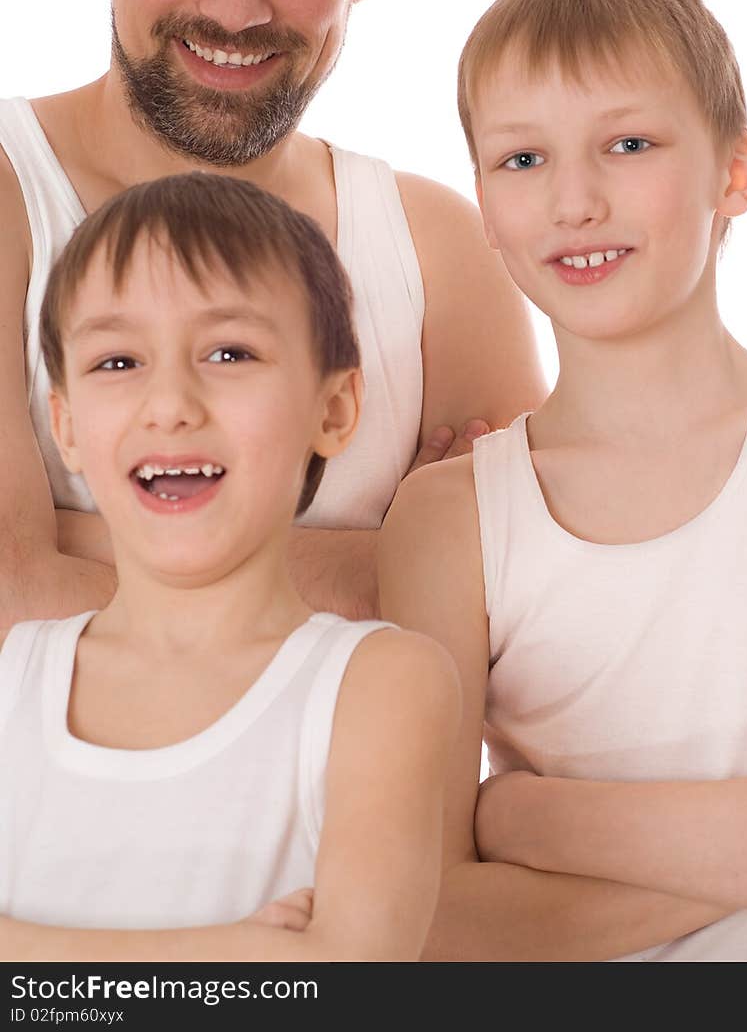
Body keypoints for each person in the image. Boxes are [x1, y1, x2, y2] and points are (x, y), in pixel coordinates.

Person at [379, 0, 747, 961]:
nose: (574, 200)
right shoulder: (450, 520)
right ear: (482, 200)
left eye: (628, 143)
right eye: (523, 159)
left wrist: (527, 820)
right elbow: (429, 919)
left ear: (733, 172)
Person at [0, 0, 545, 630]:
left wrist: (84, 545)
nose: (236, 5)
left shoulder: (440, 251)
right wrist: (400, 561)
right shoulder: (16, 196)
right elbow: (13, 594)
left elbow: (535, 613)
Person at [0, 173, 459, 960]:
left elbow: (344, 977)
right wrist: (238, 947)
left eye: (228, 351)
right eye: (118, 361)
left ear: (335, 409)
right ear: (66, 424)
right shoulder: (13, 675)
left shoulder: (381, 683)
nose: (170, 401)